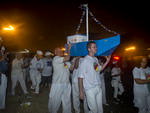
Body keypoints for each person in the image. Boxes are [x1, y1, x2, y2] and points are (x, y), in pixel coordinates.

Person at [78, 41, 111, 113]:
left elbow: (99, 69)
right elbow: (80, 77)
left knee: (100, 110)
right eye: (94, 47)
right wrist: (81, 91)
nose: (96, 48)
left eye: (96, 47)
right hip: (89, 89)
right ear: (89, 49)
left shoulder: (95, 59)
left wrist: (107, 61)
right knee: (94, 110)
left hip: (98, 87)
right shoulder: (84, 61)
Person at [48, 46, 72, 113]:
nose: (60, 52)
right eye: (58, 51)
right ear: (55, 53)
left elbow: (71, 68)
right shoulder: (56, 59)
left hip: (67, 83)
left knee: (67, 101)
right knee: (55, 101)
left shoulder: (66, 61)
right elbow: (67, 57)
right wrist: (69, 50)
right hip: (57, 84)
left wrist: (76, 59)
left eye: (61, 51)